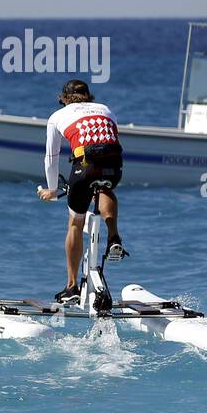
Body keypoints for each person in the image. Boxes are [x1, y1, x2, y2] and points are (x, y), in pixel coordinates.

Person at [36, 80, 126, 302]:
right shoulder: (106, 109)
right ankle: (114, 236)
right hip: (114, 166)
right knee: (103, 187)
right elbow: (110, 139)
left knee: (75, 221)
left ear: (64, 98)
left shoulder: (57, 116)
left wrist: (53, 189)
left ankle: (72, 286)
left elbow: (51, 158)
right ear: (89, 96)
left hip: (85, 166)